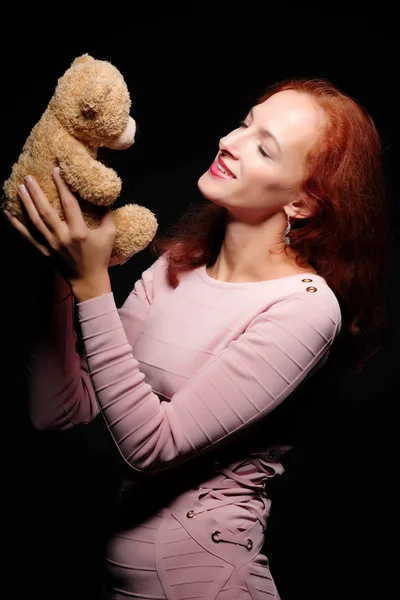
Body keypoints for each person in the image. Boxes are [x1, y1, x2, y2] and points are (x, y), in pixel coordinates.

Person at [3, 77, 389, 599]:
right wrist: (61, 274)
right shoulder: (176, 267)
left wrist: (91, 282)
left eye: (264, 146)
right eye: (246, 123)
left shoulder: (305, 307)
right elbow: (58, 411)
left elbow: (150, 447)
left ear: (302, 202)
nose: (230, 141)